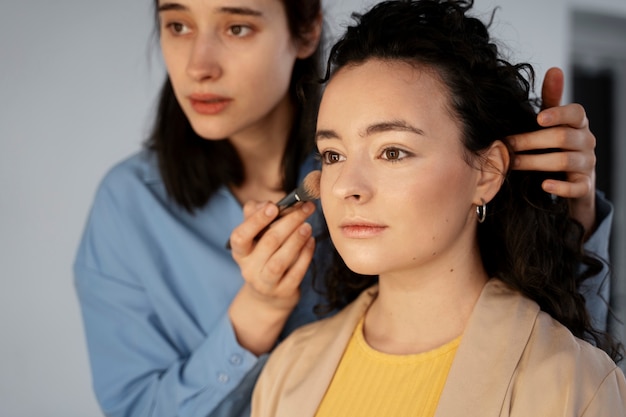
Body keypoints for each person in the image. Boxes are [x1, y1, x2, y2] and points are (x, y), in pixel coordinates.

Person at [73, 0, 613, 416]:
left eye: (392, 152)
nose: (199, 65)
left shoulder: (568, 380)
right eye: (177, 25)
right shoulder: (129, 207)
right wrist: (257, 313)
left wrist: (573, 217)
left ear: (305, 29)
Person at [250, 1, 626, 416]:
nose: (347, 189)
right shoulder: (287, 371)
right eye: (333, 155)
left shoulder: (572, 383)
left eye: (392, 152)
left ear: (486, 173)